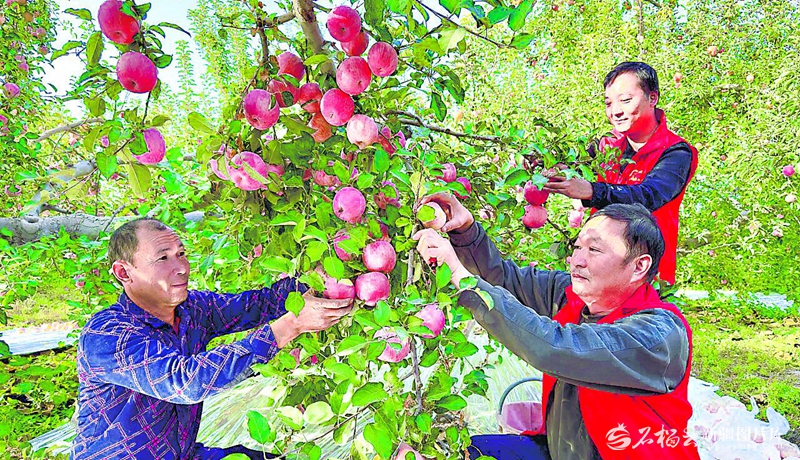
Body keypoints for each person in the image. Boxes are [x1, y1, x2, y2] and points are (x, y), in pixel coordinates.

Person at [413, 196, 700, 460]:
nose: (577, 260)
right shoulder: (571, 296)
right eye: (577, 247)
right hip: (561, 451)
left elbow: (558, 347)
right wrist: (465, 231)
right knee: (471, 451)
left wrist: (460, 277)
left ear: (639, 267)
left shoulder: (657, 336)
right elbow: (506, 279)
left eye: (594, 249)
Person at [71, 218, 353, 460]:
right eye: (163, 258)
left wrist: (315, 280)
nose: (182, 267)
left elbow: (257, 305)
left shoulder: (192, 309)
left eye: (181, 253)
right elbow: (185, 381)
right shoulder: (107, 334)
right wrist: (291, 325)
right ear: (124, 272)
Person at [542, 62, 698, 284]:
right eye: (608, 103)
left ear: (652, 98)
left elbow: (648, 196)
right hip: (595, 271)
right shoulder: (605, 146)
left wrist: (591, 191)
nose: (615, 111)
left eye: (625, 100)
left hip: (643, 276)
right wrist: (545, 164)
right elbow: (573, 164)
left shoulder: (676, 152)